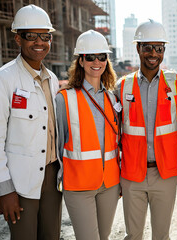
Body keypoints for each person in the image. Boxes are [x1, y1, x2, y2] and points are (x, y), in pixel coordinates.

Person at [0, 4, 62, 239]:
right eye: (31, 36)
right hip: (20, 183)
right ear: (18, 39)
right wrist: (4, 191)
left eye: (45, 36)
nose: (39, 42)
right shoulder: (0, 80)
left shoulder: (52, 79)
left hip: (52, 177)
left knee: (52, 236)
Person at [115, 19, 177, 240]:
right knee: (133, 236)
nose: (153, 53)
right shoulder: (121, 87)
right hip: (132, 175)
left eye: (158, 48)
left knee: (162, 236)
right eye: (147, 47)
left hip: (164, 175)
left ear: (164, 50)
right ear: (138, 48)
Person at [56, 30, 121, 240]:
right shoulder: (64, 98)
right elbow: (57, 145)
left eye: (101, 57)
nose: (96, 62)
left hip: (109, 185)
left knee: (104, 236)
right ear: (81, 61)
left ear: (107, 61)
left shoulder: (112, 99)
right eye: (90, 57)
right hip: (78, 186)